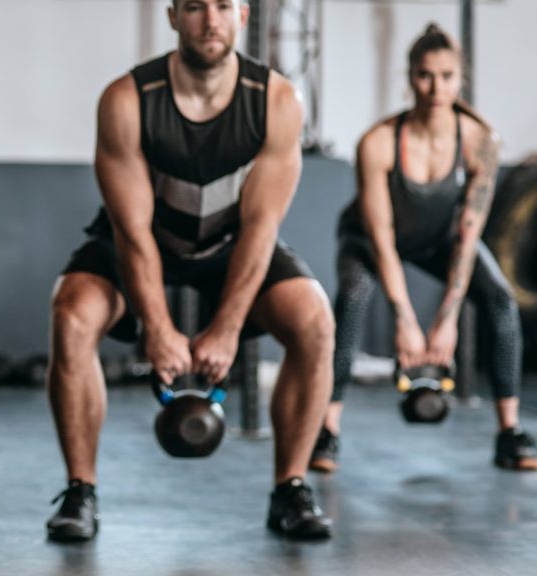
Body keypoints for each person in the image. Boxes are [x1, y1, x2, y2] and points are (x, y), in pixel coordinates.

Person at [44, 0, 333, 543]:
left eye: (224, 5)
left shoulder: (276, 102)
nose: (211, 19)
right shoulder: (128, 100)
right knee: (71, 314)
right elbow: (131, 232)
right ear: (174, 15)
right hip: (144, 241)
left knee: (314, 319)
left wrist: (225, 329)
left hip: (233, 245)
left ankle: (290, 488)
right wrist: (156, 327)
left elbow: (260, 229)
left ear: (244, 14)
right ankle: (80, 489)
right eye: (196, 6)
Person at [309, 24, 535, 474]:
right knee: (353, 297)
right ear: (410, 77)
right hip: (370, 240)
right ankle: (327, 431)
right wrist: (407, 322)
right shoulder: (377, 143)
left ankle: (509, 433)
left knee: (499, 300)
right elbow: (382, 236)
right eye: (425, 75)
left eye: (447, 76)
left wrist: (446, 322)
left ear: (460, 79)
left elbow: (468, 237)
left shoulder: (479, 143)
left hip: (440, 241)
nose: (436, 87)